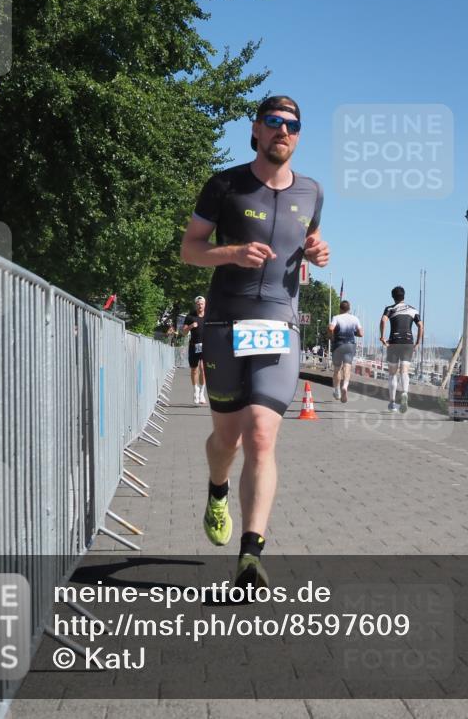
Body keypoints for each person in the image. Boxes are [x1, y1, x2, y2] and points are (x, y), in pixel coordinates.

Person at [180, 95, 329, 588]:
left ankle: (250, 554)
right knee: (228, 439)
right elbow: (190, 250)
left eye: (292, 125)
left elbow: (307, 242)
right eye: (273, 122)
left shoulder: (311, 192)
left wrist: (318, 249)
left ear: (298, 135)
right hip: (224, 324)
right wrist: (233, 252)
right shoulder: (225, 185)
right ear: (257, 129)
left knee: (262, 435)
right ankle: (217, 488)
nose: (282, 131)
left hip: (279, 326)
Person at [380, 286, 422, 413]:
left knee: (392, 373)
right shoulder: (413, 309)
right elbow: (420, 325)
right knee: (404, 371)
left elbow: (383, 320)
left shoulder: (390, 308)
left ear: (393, 297)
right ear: (404, 296)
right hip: (408, 342)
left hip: (394, 342)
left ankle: (392, 403)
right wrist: (417, 342)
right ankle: (404, 393)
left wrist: (382, 337)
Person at [328, 300, 363, 403]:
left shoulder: (336, 317)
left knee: (337, 369)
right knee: (347, 367)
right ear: (349, 309)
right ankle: (345, 386)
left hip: (338, 345)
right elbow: (361, 333)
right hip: (350, 345)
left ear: (340, 308)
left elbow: (331, 328)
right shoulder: (355, 319)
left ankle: (337, 391)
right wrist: (354, 333)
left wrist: (331, 337)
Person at [182, 296, 207, 404]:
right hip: (194, 346)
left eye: (201, 304)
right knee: (194, 369)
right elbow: (183, 332)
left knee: (203, 368)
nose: (200, 306)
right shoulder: (190, 317)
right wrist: (191, 326)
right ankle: (195, 390)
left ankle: (202, 393)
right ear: (195, 305)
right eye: (198, 304)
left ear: (205, 304)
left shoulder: (209, 316)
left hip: (207, 346)